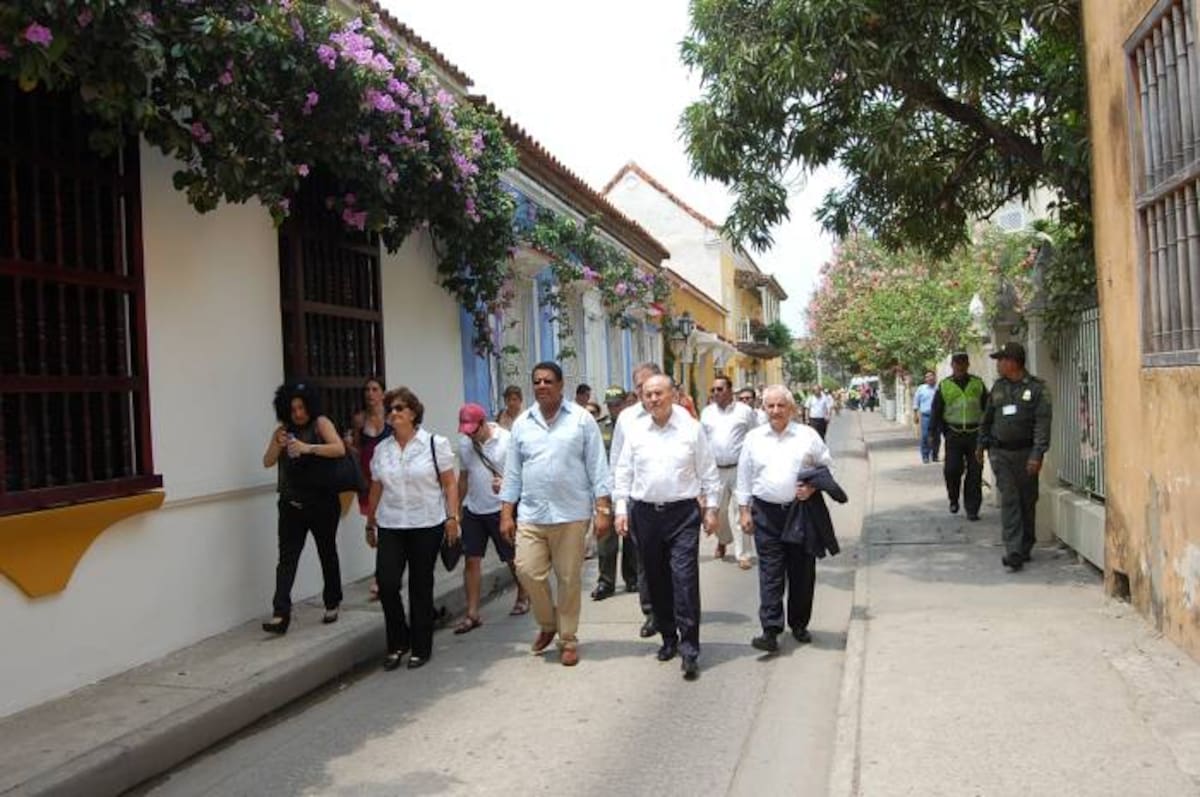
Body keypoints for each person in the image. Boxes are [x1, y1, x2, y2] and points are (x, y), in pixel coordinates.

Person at [500, 362, 612, 667]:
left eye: (548, 381)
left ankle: (567, 638)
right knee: (526, 571)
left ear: (561, 386)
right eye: (536, 381)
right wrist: (506, 513)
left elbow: (597, 467)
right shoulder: (523, 423)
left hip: (571, 513)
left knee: (568, 578)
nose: (541, 386)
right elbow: (512, 473)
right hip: (532, 514)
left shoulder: (581, 420)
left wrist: (603, 509)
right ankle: (548, 623)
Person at [614, 374, 720, 681]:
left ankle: (690, 648)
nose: (653, 399)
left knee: (684, 579)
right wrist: (621, 509)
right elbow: (624, 472)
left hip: (682, 514)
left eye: (659, 393)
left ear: (672, 395)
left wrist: (711, 509)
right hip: (645, 514)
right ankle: (668, 638)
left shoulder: (691, 429)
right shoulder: (635, 431)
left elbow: (708, 471)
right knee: (656, 579)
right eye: (647, 395)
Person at [365, 387, 459, 670]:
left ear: (413, 414)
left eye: (399, 408)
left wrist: (452, 517)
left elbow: (450, 483)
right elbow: (376, 487)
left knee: (420, 585)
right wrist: (370, 522)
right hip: (392, 523)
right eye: (391, 409)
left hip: (426, 523)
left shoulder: (434, 444)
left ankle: (421, 646)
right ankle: (398, 642)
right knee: (388, 584)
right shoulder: (382, 450)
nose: (393, 413)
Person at [737, 386, 835, 652]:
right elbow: (744, 476)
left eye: (781, 406)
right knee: (770, 573)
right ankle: (770, 629)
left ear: (791, 409)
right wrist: (744, 510)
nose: (776, 411)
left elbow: (826, 466)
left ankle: (799, 623)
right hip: (766, 514)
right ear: (764, 409)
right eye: (770, 406)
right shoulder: (754, 438)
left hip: (800, 513)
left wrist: (812, 488)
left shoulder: (808, 435)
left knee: (802, 571)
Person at [261, 382, 347, 635]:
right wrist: (277, 444)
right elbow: (267, 461)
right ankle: (280, 612)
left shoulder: (321, 424)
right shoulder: (282, 430)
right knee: (286, 559)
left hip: (322, 502)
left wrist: (308, 448)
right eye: (292, 409)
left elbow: (339, 448)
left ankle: (332, 602)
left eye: (301, 407)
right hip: (290, 505)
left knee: (327, 552)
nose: (297, 413)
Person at [454, 403, 529, 634]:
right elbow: (464, 478)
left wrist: (505, 484)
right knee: (471, 560)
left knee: (511, 557)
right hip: (474, 509)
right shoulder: (465, 444)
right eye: (466, 431)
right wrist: (455, 509)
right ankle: (472, 612)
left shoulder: (507, 440)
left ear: (483, 423)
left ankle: (523, 594)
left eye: (473, 430)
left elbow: (522, 474)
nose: (470, 435)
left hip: (501, 509)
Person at [609, 362, 672, 638]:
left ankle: (674, 607)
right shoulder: (627, 419)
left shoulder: (678, 417)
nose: (647, 393)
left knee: (672, 560)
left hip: (672, 500)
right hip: (639, 499)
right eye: (639, 388)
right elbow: (618, 462)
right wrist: (617, 502)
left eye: (650, 386)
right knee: (645, 560)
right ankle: (652, 612)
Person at [977, 342, 1052, 572]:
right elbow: (987, 419)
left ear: (1013, 362)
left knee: (1027, 500)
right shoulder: (998, 388)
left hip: (1026, 453)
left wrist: (1037, 454)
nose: (998, 364)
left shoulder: (1038, 389)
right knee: (1010, 499)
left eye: (1001, 360)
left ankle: (1025, 544)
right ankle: (1014, 550)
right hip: (1001, 454)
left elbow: (1042, 424)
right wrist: (981, 445)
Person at [700, 375, 760, 569]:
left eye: (720, 389)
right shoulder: (707, 413)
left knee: (740, 510)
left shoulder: (744, 412)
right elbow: (701, 442)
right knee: (719, 511)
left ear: (730, 390)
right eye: (713, 390)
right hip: (715, 471)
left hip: (740, 469)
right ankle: (723, 539)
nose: (716, 393)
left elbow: (754, 437)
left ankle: (743, 554)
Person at [593, 386, 640, 600]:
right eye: (610, 405)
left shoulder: (635, 424)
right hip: (605, 489)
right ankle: (605, 582)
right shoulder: (598, 427)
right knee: (605, 539)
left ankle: (632, 578)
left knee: (630, 537)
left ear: (626, 402)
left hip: (629, 488)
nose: (613, 408)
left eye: (617, 404)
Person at [929, 354, 987, 520]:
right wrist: (934, 433)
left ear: (968, 365)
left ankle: (972, 509)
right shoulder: (945, 386)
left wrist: (987, 432)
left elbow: (988, 408)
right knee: (952, 470)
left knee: (975, 473)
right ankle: (953, 498)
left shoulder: (977, 384)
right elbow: (936, 411)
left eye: (963, 364)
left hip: (974, 434)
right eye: (957, 364)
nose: (960, 367)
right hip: (953, 434)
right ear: (952, 365)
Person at [349, 377, 389, 601]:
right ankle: (383, 573)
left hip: (387, 478)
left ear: (383, 393)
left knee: (385, 525)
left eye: (375, 389)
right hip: (367, 478)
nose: (370, 393)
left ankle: (381, 575)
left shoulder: (391, 418)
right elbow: (357, 447)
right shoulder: (359, 419)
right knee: (377, 524)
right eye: (367, 390)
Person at [913, 371, 940, 463]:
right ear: (925, 379)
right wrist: (915, 415)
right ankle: (925, 455)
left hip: (937, 416)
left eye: (931, 376)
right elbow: (916, 402)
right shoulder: (921, 389)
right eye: (927, 377)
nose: (930, 378)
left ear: (935, 378)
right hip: (926, 416)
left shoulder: (938, 388)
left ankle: (935, 455)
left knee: (936, 436)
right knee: (925, 436)